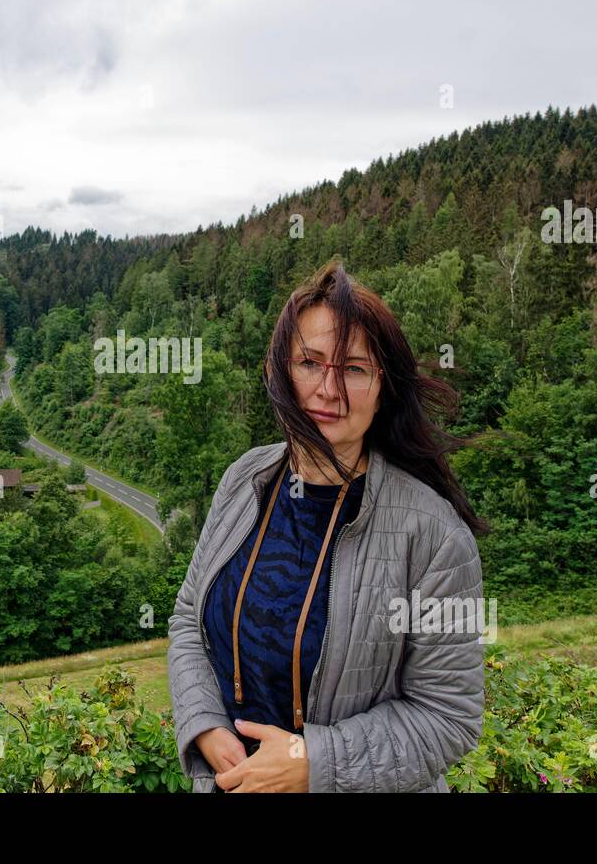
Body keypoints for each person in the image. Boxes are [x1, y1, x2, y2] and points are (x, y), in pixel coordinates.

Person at [167, 259, 489, 792]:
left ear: (383, 387)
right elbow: (187, 621)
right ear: (277, 371)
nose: (328, 389)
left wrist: (314, 762)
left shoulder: (434, 537)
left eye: (355, 368)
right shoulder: (244, 479)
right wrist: (204, 725)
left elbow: (448, 716)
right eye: (310, 363)